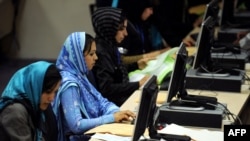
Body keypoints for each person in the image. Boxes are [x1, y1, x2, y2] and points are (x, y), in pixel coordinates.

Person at [52, 32, 136, 141]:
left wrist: (116, 112)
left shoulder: (80, 76)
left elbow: (101, 102)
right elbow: (77, 125)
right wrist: (112, 117)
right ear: (78, 56)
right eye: (91, 54)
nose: (96, 58)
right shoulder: (69, 85)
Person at [91, 7, 150, 106]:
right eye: (121, 29)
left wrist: (136, 65)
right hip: (114, 105)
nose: (126, 33)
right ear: (109, 28)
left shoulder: (110, 45)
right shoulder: (101, 52)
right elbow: (107, 88)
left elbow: (116, 72)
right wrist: (138, 84)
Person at [0, 61, 62, 141]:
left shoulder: (39, 106)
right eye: (48, 92)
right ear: (34, 87)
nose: (52, 98)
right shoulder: (14, 111)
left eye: (55, 92)